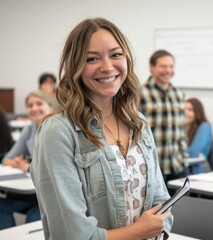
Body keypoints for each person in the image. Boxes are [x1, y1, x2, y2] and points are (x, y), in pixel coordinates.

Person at [30, 18, 172, 240]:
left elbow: (161, 202)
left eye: (116, 54)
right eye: (92, 58)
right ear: (75, 65)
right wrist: (139, 231)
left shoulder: (139, 123)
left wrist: (159, 225)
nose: (107, 67)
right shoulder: (58, 132)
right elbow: (73, 235)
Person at [0, 90, 54, 229]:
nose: (34, 108)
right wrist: (18, 163)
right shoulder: (30, 128)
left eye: (39, 104)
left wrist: (27, 167)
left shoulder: (57, 129)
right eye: (30, 105)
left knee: (34, 217)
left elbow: (54, 170)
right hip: (34, 194)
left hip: (52, 196)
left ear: (50, 107)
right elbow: (7, 159)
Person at [140, 50, 189, 184]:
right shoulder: (139, 93)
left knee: (183, 204)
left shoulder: (178, 93)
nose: (168, 70)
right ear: (152, 67)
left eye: (171, 66)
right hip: (153, 166)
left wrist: (184, 157)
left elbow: (182, 130)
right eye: (163, 66)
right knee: (159, 206)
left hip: (177, 164)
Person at [185, 98, 213, 174]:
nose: (185, 112)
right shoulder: (181, 128)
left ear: (198, 112)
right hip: (184, 166)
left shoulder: (205, 126)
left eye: (190, 110)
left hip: (197, 169)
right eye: (184, 109)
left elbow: (193, 152)